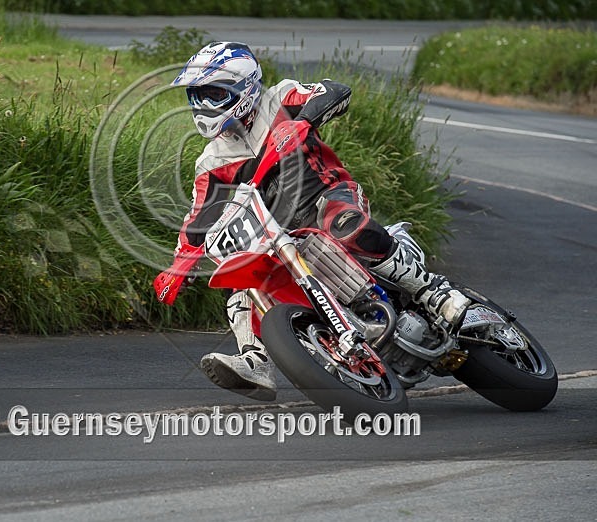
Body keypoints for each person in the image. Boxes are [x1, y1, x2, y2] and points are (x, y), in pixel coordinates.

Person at [153, 41, 470, 401]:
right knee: (238, 274)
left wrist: (302, 121)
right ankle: (255, 359)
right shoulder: (211, 161)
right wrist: (177, 267)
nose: (201, 106)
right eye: (196, 96)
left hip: (330, 195)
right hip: (280, 232)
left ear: (243, 88)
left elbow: (335, 92)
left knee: (344, 224)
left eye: (212, 94)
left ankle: (433, 292)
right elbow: (198, 222)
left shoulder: (281, 98)